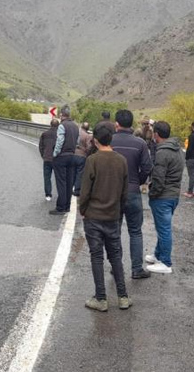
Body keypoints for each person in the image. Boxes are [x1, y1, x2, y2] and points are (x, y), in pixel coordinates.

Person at [78, 124, 131, 311]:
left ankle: (101, 298)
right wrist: (119, 210)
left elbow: (85, 191)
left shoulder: (92, 160)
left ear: (96, 141)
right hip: (113, 215)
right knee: (115, 256)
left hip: (94, 216)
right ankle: (123, 296)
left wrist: (82, 209)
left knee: (97, 256)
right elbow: (125, 193)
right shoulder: (121, 161)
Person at [112, 109, 153, 279]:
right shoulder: (140, 144)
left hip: (112, 193)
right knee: (135, 231)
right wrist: (138, 181)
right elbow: (147, 168)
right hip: (133, 192)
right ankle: (136, 269)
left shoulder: (109, 142)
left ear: (117, 124)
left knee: (114, 231)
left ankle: (116, 268)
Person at [145, 121, 183, 275]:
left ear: (157, 134)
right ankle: (158, 254)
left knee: (164, 229)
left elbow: (159, 178)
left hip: (163, 197)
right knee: (163, 228)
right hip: (173, 195)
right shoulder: (177, 149)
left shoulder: (162, 152)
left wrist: (152, 193)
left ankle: (165, 262)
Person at [50, 106, 80, 215]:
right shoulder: (76, 126)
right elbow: (77, 142)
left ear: (62, 115)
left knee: (61, 182)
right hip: (72, 156)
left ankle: (60, 207)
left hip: (62, 156)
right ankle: (67, 206)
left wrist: (55, 154)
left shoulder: (62, 126)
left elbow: (60, 141)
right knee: (69, 181)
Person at [38, 119, 60, 202]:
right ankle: (60, 193)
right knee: (58, 177)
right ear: (58, 125)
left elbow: (41, 146)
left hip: (47, 158)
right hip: (57, 159)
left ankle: (48, 194)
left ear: (50, 125)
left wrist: (43, 155)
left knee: (47, 177)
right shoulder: (59, 134)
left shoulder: (44, 134)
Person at [73, 122, 92, 196]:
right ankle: (77, 190)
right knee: (79, 173)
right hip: (82, 156)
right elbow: (89, 147)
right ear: (87, 128)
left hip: (73, 154)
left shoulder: (76, 133)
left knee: (72, 172)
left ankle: (70, 187)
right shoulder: (87, 136)